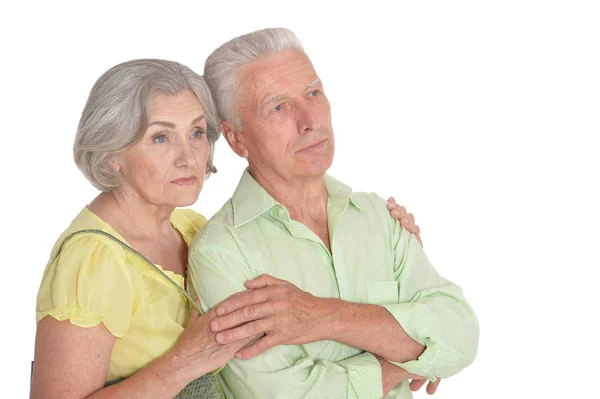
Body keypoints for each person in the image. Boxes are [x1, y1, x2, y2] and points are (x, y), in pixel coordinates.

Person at [31, 58, 422, 399]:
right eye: (161, 137)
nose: (188, 157)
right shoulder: (93, 261)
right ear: (112, 153)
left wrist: (388, 250)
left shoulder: (193, 229)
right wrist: (185, 360)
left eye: (197, 132)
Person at [189, 28, 479, 399]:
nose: (310, 120)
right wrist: (406, 358)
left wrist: (322, 316)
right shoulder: (221, 252)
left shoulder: (379, 216)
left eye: (313, 93)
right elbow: (287, 394)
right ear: (236, 139)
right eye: (278, 106)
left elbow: (461, 335)